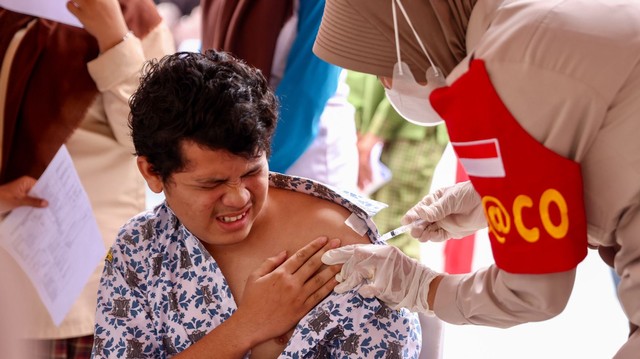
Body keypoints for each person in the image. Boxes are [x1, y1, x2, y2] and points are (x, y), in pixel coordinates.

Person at [312, 0, 640, 358]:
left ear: (411, 26)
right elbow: (606, 139)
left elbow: (533, 292)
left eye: (382, 65)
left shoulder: (500, 65)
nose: (386, 83)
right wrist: (493, 198)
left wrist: (425, 287)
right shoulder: (529, 17)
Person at [91, 49, 422, 358]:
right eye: (212, 183)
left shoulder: (340, 245)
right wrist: (248, 327)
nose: (239, 197)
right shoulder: (139, 249)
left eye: (252, 172)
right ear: (152, 172)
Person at [0, 0, 174, 357]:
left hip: (85, 284)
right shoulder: (11, 12)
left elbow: (152, 143)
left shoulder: (138, 19)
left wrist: (114, 38)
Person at [201, 0, 359, 191]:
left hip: (301, 159)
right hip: (233, 158)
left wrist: (243, 173)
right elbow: (205, 69)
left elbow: (306, 96)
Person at [346, 71, 447, 259]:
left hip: (410, 131)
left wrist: (375, 132)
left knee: (397, 232)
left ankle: (404, 287)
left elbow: (411, 77)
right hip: (379, 130)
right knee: (379, 229)